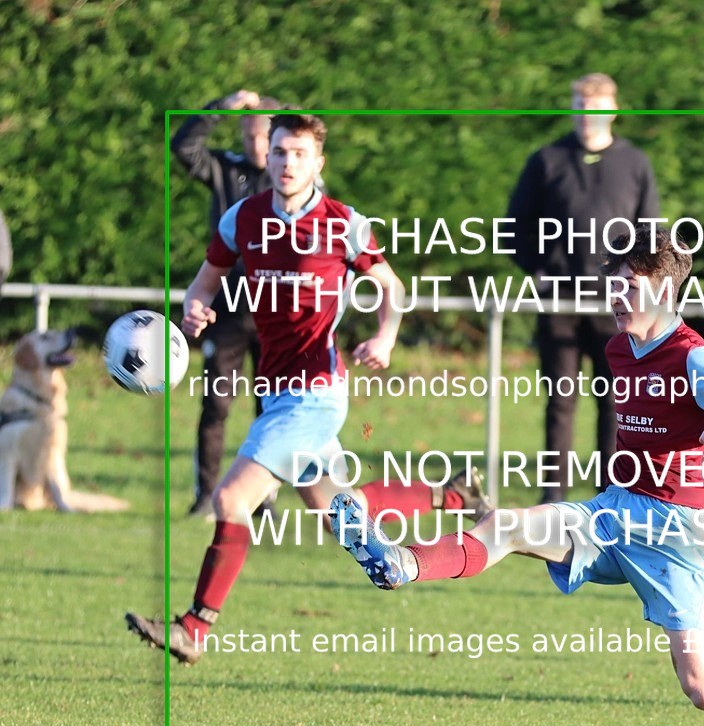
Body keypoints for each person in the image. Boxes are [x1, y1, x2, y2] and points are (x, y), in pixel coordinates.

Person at [330, 225, 704, 726]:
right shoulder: (621, 349)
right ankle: (401, 563)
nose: (616, 297)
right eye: (613, 285)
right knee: (507, 526)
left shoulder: (694, 356)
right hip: (615, 510)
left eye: (630, 287)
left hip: (672, 531)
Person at [127, 113, 491, 664]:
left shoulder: (342, 224)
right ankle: (457, 495)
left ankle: (194, 629)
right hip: (277, 392)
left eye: (298, 153)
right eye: (278, 152)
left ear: (318, 162)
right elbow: (204, 282)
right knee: (341, 514)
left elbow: (393, 289)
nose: (287, 163)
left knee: (231, 498)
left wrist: (386, 338)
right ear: (266, 158)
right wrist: (195, 308)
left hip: (315, 391)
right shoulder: (241, 218)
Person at [507, 73, 659, 503]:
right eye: (578, 104)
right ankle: (553, 497)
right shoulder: (546, 160)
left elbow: (651, 232)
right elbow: (515, 227)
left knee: (615, 403)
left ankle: (610, 494)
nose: (586, 115)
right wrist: (539, 270)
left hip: (617, 305)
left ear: (612, 109)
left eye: (594, 105)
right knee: (561, 399)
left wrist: (636, 283)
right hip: (558, 302)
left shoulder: (635, 163)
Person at [171, 90, 281, 517]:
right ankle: (204, 496)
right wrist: (218, 108)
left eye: (265, 137)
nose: (257, 146)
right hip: (228, 310)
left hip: (275, 316)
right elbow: (183, 147)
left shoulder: (293, 181)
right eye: (250, 136)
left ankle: (264, 499)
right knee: (216, 403)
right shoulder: (224, 170)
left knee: (270, 409)